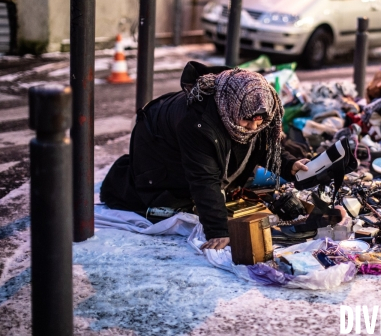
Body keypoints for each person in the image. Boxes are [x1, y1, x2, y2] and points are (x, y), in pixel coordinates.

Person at [100, 62, 309, 250]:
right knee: (174, 198)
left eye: (258, 122)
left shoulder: (252, 103)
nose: (253, 127)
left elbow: (265, 144)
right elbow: (204, 178)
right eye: (248, 121)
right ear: (233, 107)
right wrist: (219, 231)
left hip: (186, 146)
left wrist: (290, 164)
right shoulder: (196, 122)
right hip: (159, 157)